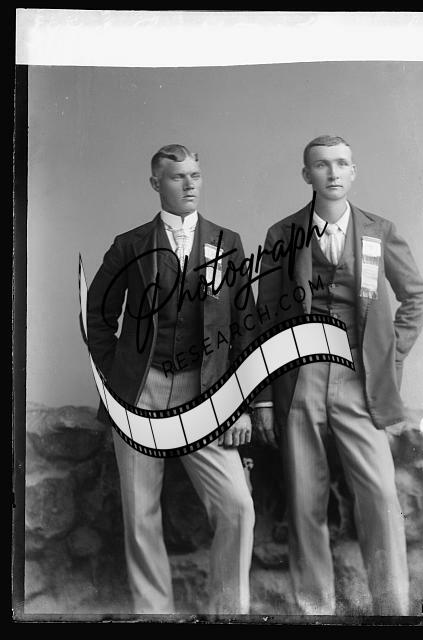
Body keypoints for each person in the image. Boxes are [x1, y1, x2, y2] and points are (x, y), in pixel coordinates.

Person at [253, 135, 423, 616]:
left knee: (380, 496)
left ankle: (392, 611)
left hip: (359, 377)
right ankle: (315, 613)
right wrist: (263, 398)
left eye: (341, 163)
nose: (332, 172)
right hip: (300, 376)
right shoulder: (282, 234)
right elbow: (264, 317)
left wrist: (388, 359)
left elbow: (417, 296)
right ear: (306, 175)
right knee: (305, 500)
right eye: (321, 165)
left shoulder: (379, 230)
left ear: (353, 172)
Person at [85, 144, 255, 615]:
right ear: (155, 183)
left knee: (237, 507)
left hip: (206, 394)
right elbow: (96, 317)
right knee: (140, 516)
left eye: (195, 174)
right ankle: (154, 616)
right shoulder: (129, 245)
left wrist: (240, 403)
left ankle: (228, 614)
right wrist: (117, 378)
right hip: (140, 394)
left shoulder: (228, 241)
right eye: (178, 177)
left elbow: (246, 327)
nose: (190, 184)